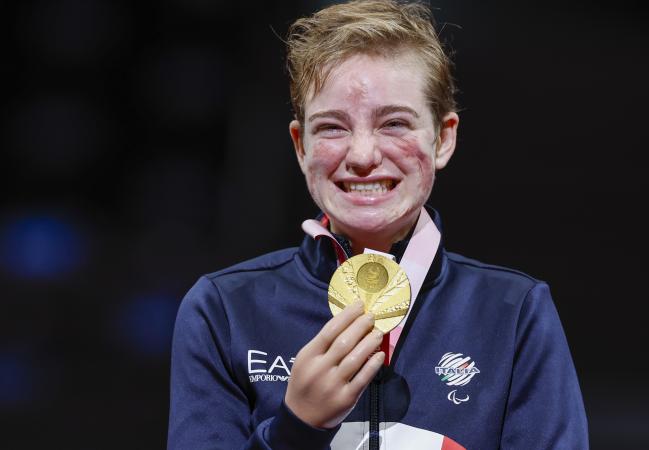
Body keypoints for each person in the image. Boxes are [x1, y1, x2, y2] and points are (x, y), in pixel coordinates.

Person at [167, 1, 588, 449]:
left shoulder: (514, 313)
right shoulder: (224, 311)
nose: (363, 155)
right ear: (300, 145)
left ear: (443, 138)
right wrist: (295, 429)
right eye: (332, 128)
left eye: (394, 123)